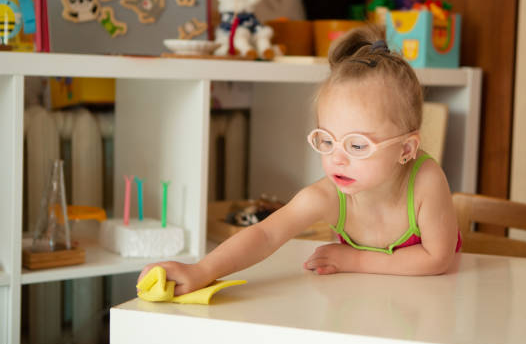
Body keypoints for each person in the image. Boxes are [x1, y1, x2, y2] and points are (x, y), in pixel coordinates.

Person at [138, 25, 461, 296]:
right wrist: (202, 270)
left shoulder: (425, 180)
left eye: (357, 145)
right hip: (361, 303)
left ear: (406, 149)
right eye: (327, 140)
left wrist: (354, 260)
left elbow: (436, 258)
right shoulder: (328, 196)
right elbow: (265, 235)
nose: (337, 158)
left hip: (433, 303)